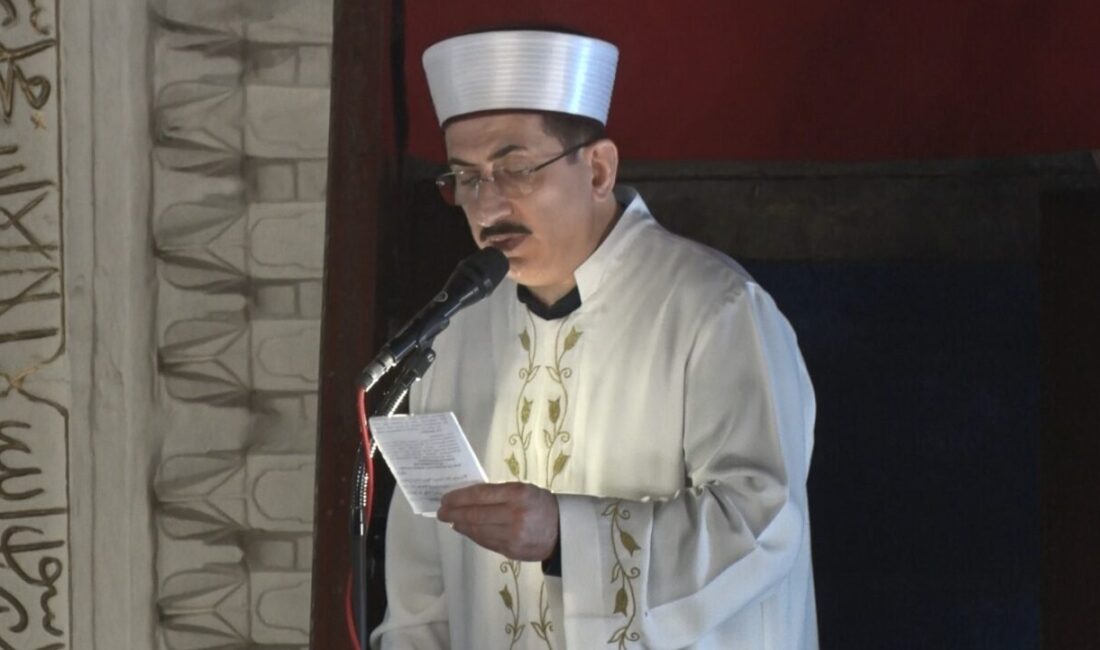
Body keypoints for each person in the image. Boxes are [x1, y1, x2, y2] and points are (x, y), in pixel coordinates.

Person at [371, 29, 817, 649]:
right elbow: (423, 574)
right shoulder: (455, 331)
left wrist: (567, 537)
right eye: (466, 178)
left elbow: (765, 524)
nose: (488, 204)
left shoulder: (714, 310)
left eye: (516, 168)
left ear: (599, 168)